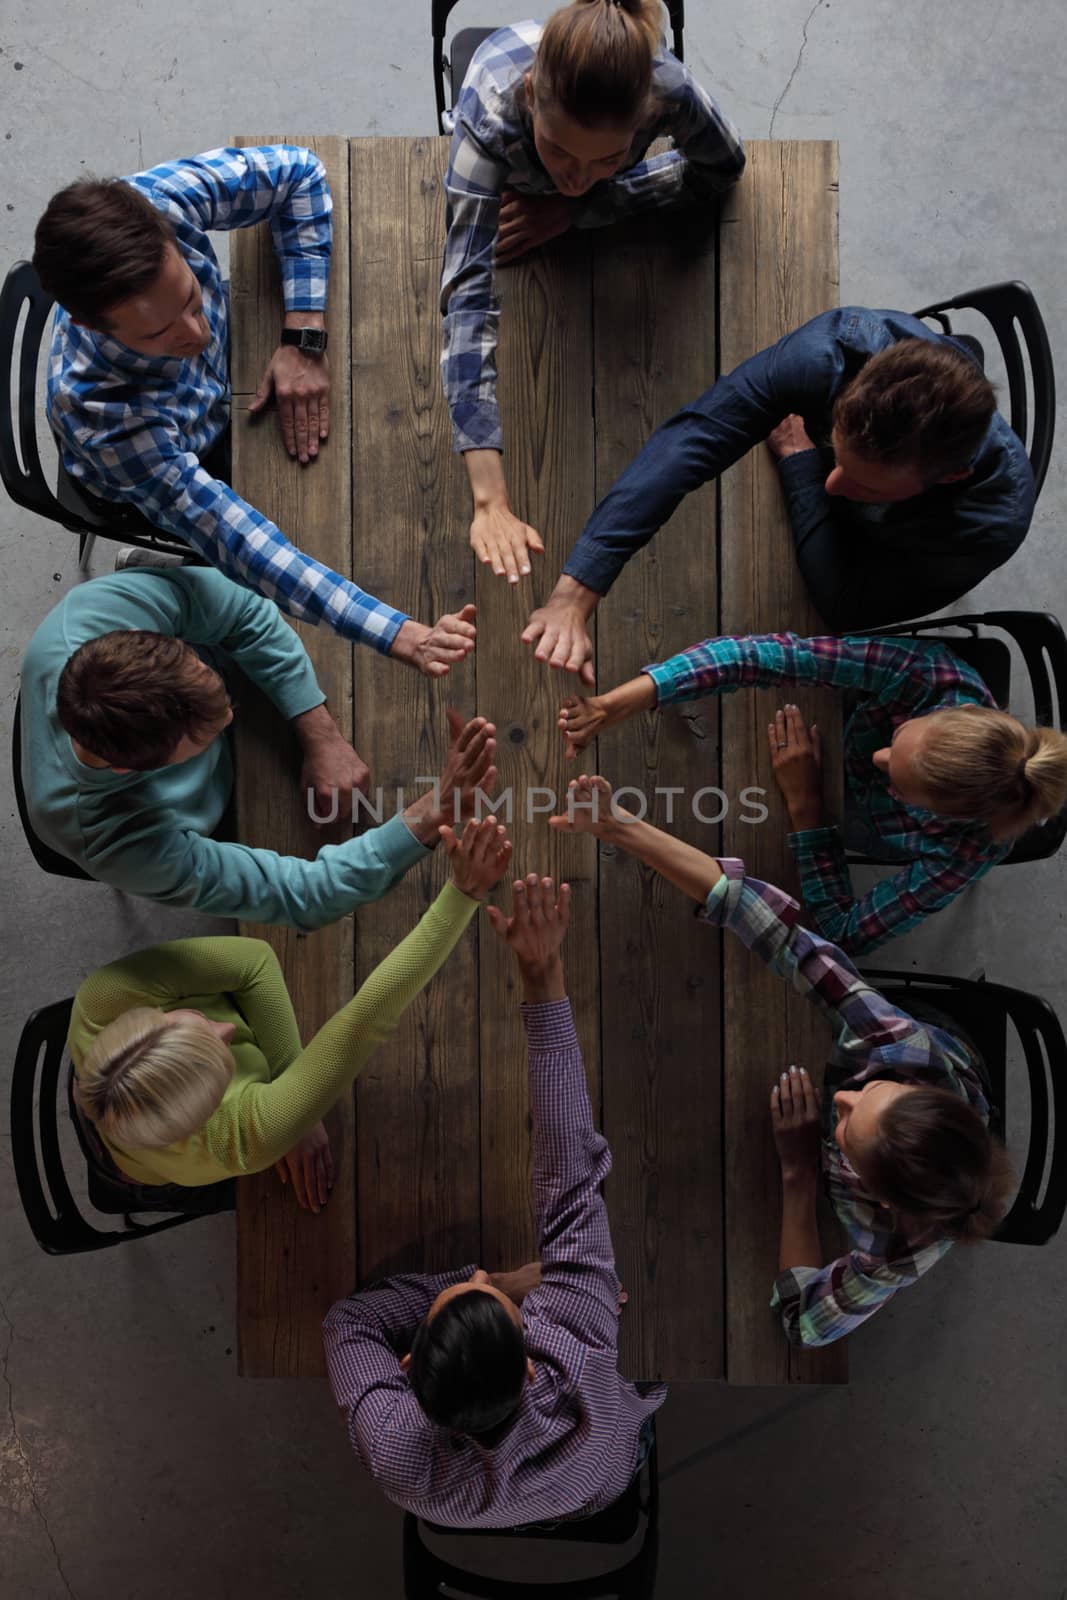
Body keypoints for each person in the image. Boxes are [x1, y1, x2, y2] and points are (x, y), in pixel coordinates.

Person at [551, 776, 1014, 1347]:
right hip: (949, 1040)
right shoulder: (897, 1047)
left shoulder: (895, 1252)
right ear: (924, 1092)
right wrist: (618, 826)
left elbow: (803, 1323)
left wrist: (798, 1173)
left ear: (881, 1197)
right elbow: (776, 931)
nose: (840, 1098)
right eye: (873, 1092)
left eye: (845, 1127)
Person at [33, 144, 475, 676]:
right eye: (160, 331)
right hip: (169, 463)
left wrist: (304, 336)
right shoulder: (104, 418)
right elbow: (239, 540)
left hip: (226, 394)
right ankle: (168, 567)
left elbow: (300, 174)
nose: (197, 333)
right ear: (91, 326)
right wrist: (398, 632)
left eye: (192, 299)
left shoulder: (154, 204)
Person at [323, 873, 665, 1527]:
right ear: (532, 1373)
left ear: (406, 1366)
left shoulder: (400, 1453)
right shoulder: (578, 1346)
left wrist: (504, 1288)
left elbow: (347, 1322)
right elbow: (570, 1173)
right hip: (606, 1474)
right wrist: (541, 974)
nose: (478, 1277)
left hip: (572, 1493)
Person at [523, 310, 1036, 675]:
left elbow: (849, 605)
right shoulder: (833, 350)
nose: (835, 483)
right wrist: (574, 595)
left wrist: (802, 467)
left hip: (894, 557)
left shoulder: (985, 529)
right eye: (834, 451)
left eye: (865, 485)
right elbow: (692, 440)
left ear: (947, 477)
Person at [441, 0, 744, 583]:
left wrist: (586, 208)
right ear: (531, 94)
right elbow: (468, 296)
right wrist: (489, 500)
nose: (574, 178)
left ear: (648, 115)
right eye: (558, 149)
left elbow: (723, 166)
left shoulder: (668, 88)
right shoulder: (491, 114)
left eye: (607, 157)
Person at [69, 817, 513, 1209]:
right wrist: (463, 893)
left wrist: (293, 1087)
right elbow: (368, 1015)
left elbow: (255, 961)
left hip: (136, 1134)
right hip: (150, 1173)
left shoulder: (99, 1003)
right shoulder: (247, 1139)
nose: (225, 1028)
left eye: (196, 1022)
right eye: (221, 1061)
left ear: (146, 1021)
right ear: (208, 1112)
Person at [20, 565, 497, 928]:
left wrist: (320, 732)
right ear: (137, 771)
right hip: (207, 827)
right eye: (207, 729)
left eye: (209, 686)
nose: (230, 713)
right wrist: (437, 806)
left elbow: (244, 610)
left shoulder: (92, 613)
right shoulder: (116, 843)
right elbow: (304, 894)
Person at [557, 630, 1067, 952]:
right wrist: (620, 704)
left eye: (899, 783)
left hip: (829, 824)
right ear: (950, 713)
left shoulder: (966, 853)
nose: (878, 759)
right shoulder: (931, 677)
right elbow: (759, 656)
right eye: (896, 740)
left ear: (941, 814)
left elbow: (845, 935)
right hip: (811, 732)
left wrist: (807, 808)